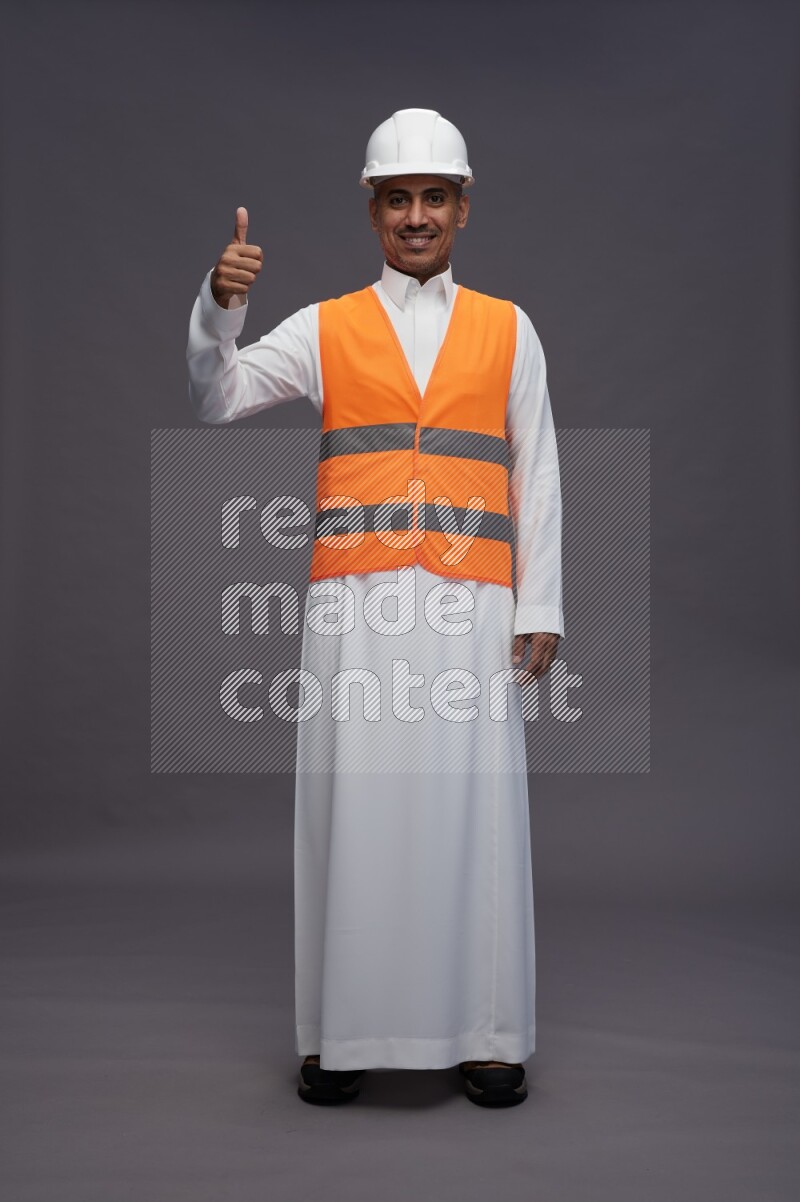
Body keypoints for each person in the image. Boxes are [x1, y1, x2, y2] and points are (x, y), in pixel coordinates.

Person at [186, 108, 565, 1108]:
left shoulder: (507, 326)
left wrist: (542, 605)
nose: (414, 216)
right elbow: (218, 395)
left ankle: (484, 1033)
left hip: (473, 611)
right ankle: (342, 1031)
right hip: (355, 610)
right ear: (372, 209)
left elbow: (540, 469)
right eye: (396, 198)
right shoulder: (323, 325)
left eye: (432, 197)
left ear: (461, 208)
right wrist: (215, 309)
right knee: (352, 808)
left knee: (473, 815)